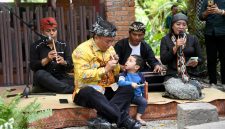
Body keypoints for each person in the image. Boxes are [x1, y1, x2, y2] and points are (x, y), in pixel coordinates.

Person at [72, 17, 142, 129]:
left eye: (112, 41)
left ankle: (102, 119)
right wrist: (104, 69)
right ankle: (123, 120)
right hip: (86, 91)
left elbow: (116, 72)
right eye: (107, 41)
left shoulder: (110, 49)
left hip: (107, 88)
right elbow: (81, 75)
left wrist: (117, 65)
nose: (110, 44)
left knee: (128, 88)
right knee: (89, 91)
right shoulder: (81, 51)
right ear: (97, 37)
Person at [160, 13, 204, 100]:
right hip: (172, 76)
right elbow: (164, 60)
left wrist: (197, 62)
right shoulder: (165, 39)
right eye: (178, 24)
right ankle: (189, 92)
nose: (181, 27)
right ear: (172, 26)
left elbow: (201, 58)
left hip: (189, 76)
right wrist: (175, 47)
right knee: (187, 91)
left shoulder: (193, 39)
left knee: (192, 90)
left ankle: (176, 93)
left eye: (184, 24)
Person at [30, 17, 74, 94]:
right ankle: (69, 90)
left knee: (75, 79)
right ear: (43, 32)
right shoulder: (36, 46)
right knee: (40, 74)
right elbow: (33, 66)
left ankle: (50, 88)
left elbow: (70, 64)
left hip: (60, 78)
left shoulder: (64, 44)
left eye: (54, 30)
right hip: (45, 78)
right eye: (48, 31)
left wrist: (64, 62)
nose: (52, 33)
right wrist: (47, 59)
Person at [199, 0, 225, 88]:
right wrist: (206, 12)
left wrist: (220, 11)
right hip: (209, 33)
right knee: (211, 59)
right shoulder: (206, 1)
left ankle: (224, 82)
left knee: (224, 58)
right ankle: (212, 82)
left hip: (223, 33)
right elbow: (200, 17)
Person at [118, 55, 147, 126]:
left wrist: (143, 95)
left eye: (130, 61)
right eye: (127, 60)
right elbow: (120, 82)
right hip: (126, 96)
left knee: (143, 102)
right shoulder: (123, 74)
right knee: (125, 105)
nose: (126, 62)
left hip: (136, 96)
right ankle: (125, 119)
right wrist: (131, 83)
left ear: (136, 67)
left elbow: (143, 86)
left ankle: (138, 117)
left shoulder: (140, 76)